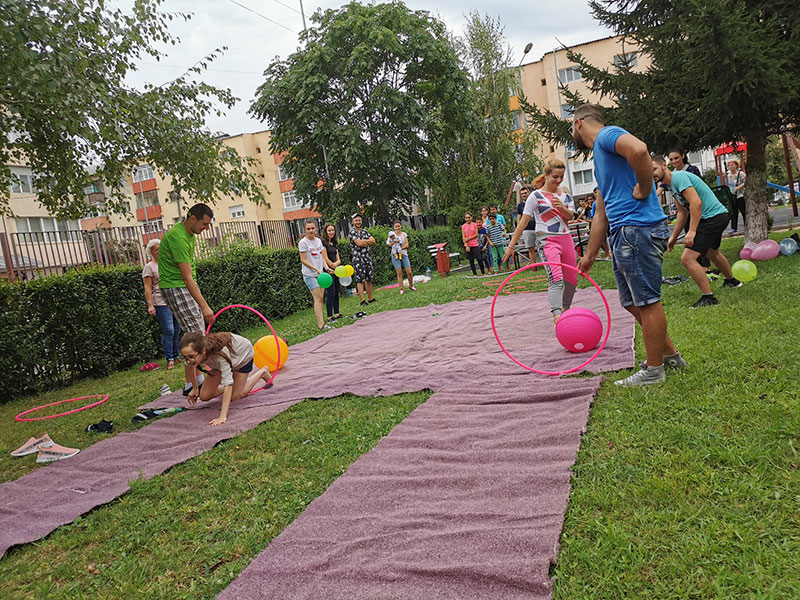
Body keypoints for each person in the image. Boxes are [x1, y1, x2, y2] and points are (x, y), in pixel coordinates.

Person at [571, 103, 684, 386]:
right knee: (632, 302)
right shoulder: (601, 159)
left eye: (571, 127)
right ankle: (670, 356)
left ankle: (654, 371)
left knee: (647, 301)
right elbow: (601, 213)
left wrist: (645, 188)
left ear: (579, 122)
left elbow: (640, 150)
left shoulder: (607, 135)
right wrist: (589, 255)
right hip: (623, 233)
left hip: (637, 229)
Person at [653, 155, 742, 307]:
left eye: (654, 169)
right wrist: (673, 237)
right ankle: (732, 281)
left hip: (712, 217)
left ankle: (709, 298)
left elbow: (696, 203)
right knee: (712, 253)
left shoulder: (678, 178)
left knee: (687, 258)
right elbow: (682, 212)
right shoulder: (671, 185)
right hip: (715, 217)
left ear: (664, 166)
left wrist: (692, 231)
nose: (652, 173)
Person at [503, 159, 577, 325]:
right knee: (556, 278)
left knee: (572, 280)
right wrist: (511, 246)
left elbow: (571, 216)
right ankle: (557, 316)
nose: (559, 180)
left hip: (566, 238)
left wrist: (562, 208)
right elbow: (523, 222)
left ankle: (566, 310)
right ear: (546, 175)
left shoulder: (565, 194)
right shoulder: (536, 196)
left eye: (562, 177)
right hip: (547, 240)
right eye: (555, 177)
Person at [159, 203, 215, 397]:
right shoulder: (179, 238)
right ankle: (193, 384)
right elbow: (186, 277)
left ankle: (193, 382)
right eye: (204, 224)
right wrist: (204, 306)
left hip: (182, 286)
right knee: (196, 338)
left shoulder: (189, 235)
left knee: (194, 334)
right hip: (176, 287)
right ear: (192, 218)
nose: (206, 228)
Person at [179, 332, 271, 426]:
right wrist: (195, 389)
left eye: (191, 357)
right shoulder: (195, 355)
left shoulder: (221, 353)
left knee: (235, 396)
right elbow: (190, 366)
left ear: (203, 351)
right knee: (204, 396)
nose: (188, 360)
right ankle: (236, 384)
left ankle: (262, 372)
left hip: (242, 358)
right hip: (219, 365)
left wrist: (222, 416)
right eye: (185, 357)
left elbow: (228, 384)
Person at [142, 239, 181, 370]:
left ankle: (176, 355)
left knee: (176, 329)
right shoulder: (149, 267)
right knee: (168, 330)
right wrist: (150, 304)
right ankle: (169, 359)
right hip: (160, 302)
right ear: (151, 252)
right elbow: (148, 287)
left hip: (174, 300)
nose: (159, 251)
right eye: (156, 250)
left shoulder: (168, 264)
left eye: (161, 249)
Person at [299, 220, 333, 330]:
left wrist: (327, 268)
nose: (311, 231)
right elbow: (303, 260)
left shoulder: (319, 241)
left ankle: (322, 322)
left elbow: (322, 257)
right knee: (317, 298)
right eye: (308, 229)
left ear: (316, 229)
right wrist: (315, 269)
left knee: (321, 298)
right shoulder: (303, 243)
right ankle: (321, 325)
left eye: (312, 228)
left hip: (320, 274)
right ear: (305, 230)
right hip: (309, 274)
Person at [349, 214, 376, 305]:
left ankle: (370, 298)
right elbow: (359, 244)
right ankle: (362, 300)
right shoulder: (352, 232)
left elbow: (373, 241)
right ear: (353, 221)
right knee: (360, 279)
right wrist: (366, 242)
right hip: (358, 258)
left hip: (367, 257)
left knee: (369, 278)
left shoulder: (365, 231)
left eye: (359, 220)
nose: (358, 222)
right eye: (356, 220)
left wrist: (363, 241)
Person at [386, 220, 417, 294]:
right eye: (396, 226)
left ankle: (411, 285)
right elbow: (389, 244)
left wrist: (400, 249)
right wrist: (394, 244)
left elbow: (407, 245)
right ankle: (401, 288)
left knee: (409, 272)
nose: (397, 228)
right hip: (395, 255)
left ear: (401, 226)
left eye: (398, 226)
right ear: (394, 227)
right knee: (399, 273)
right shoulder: (391, 235)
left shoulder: (404, 234)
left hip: (404, 254)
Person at [320, 223, 343, 322]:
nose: (331, 232)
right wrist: (332, 266)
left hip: (336, 270)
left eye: (333, 230)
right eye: (329, 230)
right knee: (331, 293)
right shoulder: (323, 243)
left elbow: (339, 259)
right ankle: (330, 316)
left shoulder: (334, 243)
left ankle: (337, 313)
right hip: (328, 271)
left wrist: (336, 265)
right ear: (325, 232)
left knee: (336, 292)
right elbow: (325, 258)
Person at [516, 185, 538, 263]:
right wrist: (519, 229)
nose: (524, 195)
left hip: (538, 227)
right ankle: (534, 265)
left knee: (543, 247)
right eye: (522, 194)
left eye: (525, 193)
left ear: (529, 193)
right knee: (531, 248)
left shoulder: (534, 201)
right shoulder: (520, 205)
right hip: (527, 229)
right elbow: (519, 218)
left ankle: (547, 264)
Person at [727, 159, 747, 233]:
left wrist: (739, 187)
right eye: (729, 165)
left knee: (743, 211)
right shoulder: (728, 175)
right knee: (734, 213)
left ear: (736, 165)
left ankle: (747, 225)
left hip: (740, 195)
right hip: (732, 195)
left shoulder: (741, 174)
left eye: (732, 165)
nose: (731, 167)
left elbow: (746, 182)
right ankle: (733, 227)